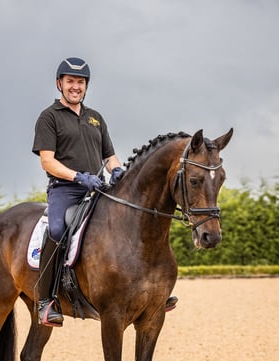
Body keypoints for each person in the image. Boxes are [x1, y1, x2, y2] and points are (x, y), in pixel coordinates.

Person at [32, 57, 176, 327]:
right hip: (66, 189)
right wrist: (78, 177)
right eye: (71, 81)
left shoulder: (95, 118)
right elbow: (47, 161)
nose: (76, 87)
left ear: (86, 86)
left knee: (133, 224)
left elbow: (109, 156)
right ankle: (46, 300)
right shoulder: (49, 117)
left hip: (98, 187)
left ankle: (153, 288)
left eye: (81, 82)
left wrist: (118, 170)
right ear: (59, 84)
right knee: (56, 230)